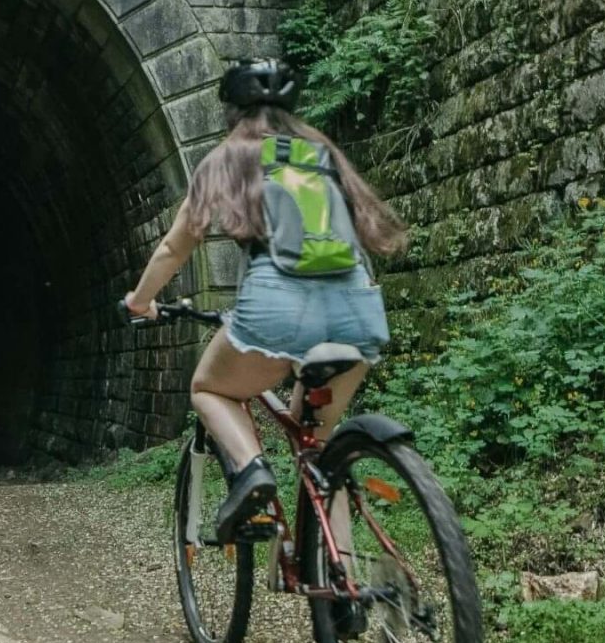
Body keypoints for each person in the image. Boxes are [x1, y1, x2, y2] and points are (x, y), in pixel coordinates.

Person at [122, 56, 408, 549]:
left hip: (278, 310)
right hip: (358, 307)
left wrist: (139, 301)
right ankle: (345, 586)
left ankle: (252, 472)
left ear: (231, 112)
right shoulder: (321, 152)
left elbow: (174, 247)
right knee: (319, 447)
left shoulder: (226, 160)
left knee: (211, 389)